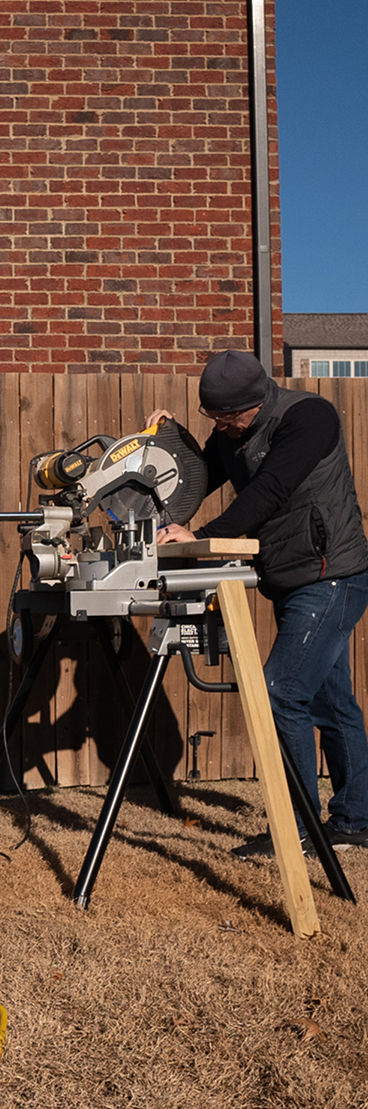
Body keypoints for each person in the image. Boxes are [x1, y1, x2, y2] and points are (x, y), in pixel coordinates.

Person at [150, 349, 368, 857]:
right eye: (214, 417)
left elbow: (268, 491)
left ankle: (296, 828)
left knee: (280, 692)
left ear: (256, 399)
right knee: (330, 700)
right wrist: (165, 443)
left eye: (230, 416)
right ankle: (356, 821)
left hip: (331, 576)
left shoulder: (308, 417)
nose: (223, 426)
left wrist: (201, 535)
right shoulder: (230, 434)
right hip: (291, 579)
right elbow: (195, 478)